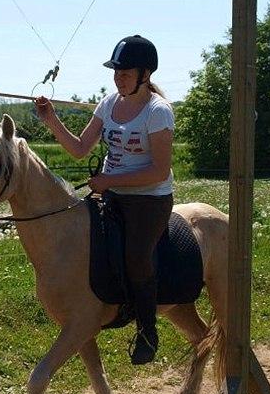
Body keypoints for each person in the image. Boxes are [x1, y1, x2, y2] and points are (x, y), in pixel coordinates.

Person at [36, 35, 174, 366]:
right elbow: (81, 147)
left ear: (145, 74)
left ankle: (147, 331)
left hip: (149, 200)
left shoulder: (158, 112)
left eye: (125, 72)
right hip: (110, 193)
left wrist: (109, 180)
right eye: (116, 71)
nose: (118, 77)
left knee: (137, 257)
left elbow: (158, 171)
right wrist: (52, 120)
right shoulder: (108, 104)